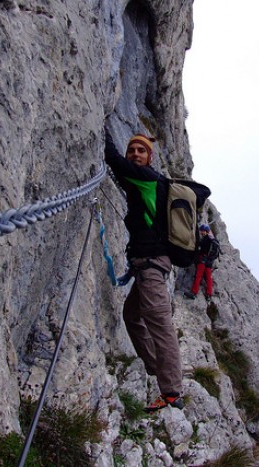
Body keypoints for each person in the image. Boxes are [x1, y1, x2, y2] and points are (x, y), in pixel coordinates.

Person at [104, 131, 184, 412]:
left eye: (141, 150)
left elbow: (112, 159)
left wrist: (103, 126)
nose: (135, 154)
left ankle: (171, 391)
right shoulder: (146, 181)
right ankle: (153, 367)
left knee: (159, 323)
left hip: (150, 266)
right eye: (132, 150)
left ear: (149, 158)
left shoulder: (148, 178)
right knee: (132, 314)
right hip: (147, 264)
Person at [185, 224, 220, 300]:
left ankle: (194, 293)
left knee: (198, 276)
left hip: (203, 260)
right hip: (209, 262)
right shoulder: (213, 239)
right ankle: (209, 295)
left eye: (202, 231)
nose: (201, 232)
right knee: (208, 278)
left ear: (205, 231)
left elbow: (201, 248)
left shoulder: (206, 238)